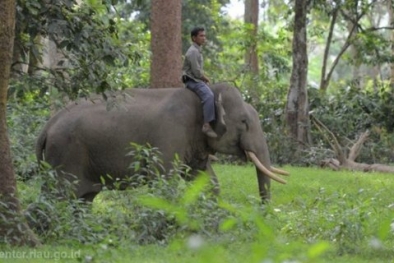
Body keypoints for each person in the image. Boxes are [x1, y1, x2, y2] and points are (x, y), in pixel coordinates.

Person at [182, 27, 217, 138]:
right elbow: (196, 72)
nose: (204, 38)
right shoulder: (192, 52)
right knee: (209, 96)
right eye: (201, 36)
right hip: (192, 81)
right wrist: (205, 78)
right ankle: (207, 125)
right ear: (194, 38)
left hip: (196, 79)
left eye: (204, 36)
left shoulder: (197, 50)